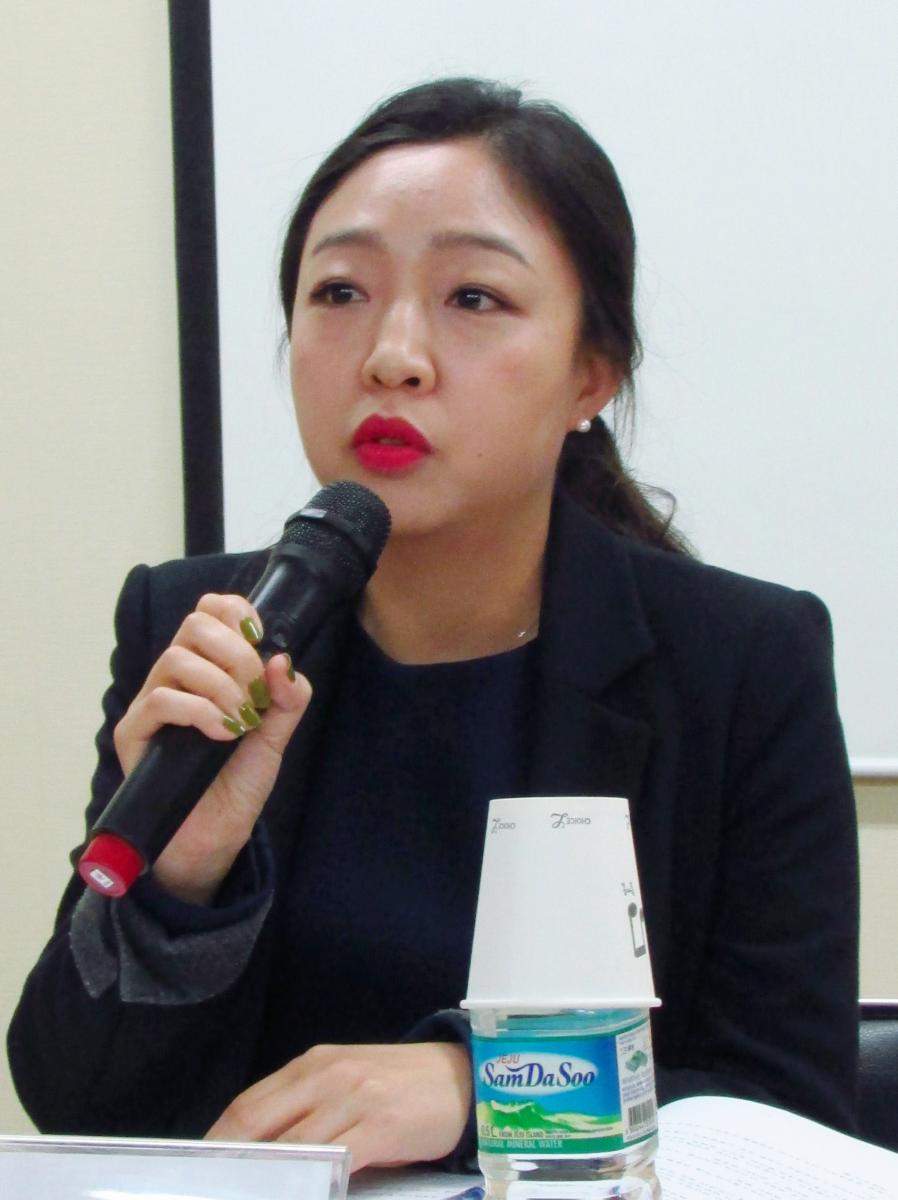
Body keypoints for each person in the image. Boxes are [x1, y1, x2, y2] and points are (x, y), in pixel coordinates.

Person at [7, 78, 858, 1171]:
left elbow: (790, 1110)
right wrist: (179, 885)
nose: (392, 354)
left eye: (473, 298)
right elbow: (74, 1104)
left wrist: (486, 1086)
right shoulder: (202, 631)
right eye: (339, 292)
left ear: (590, 375)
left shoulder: (741, 664)